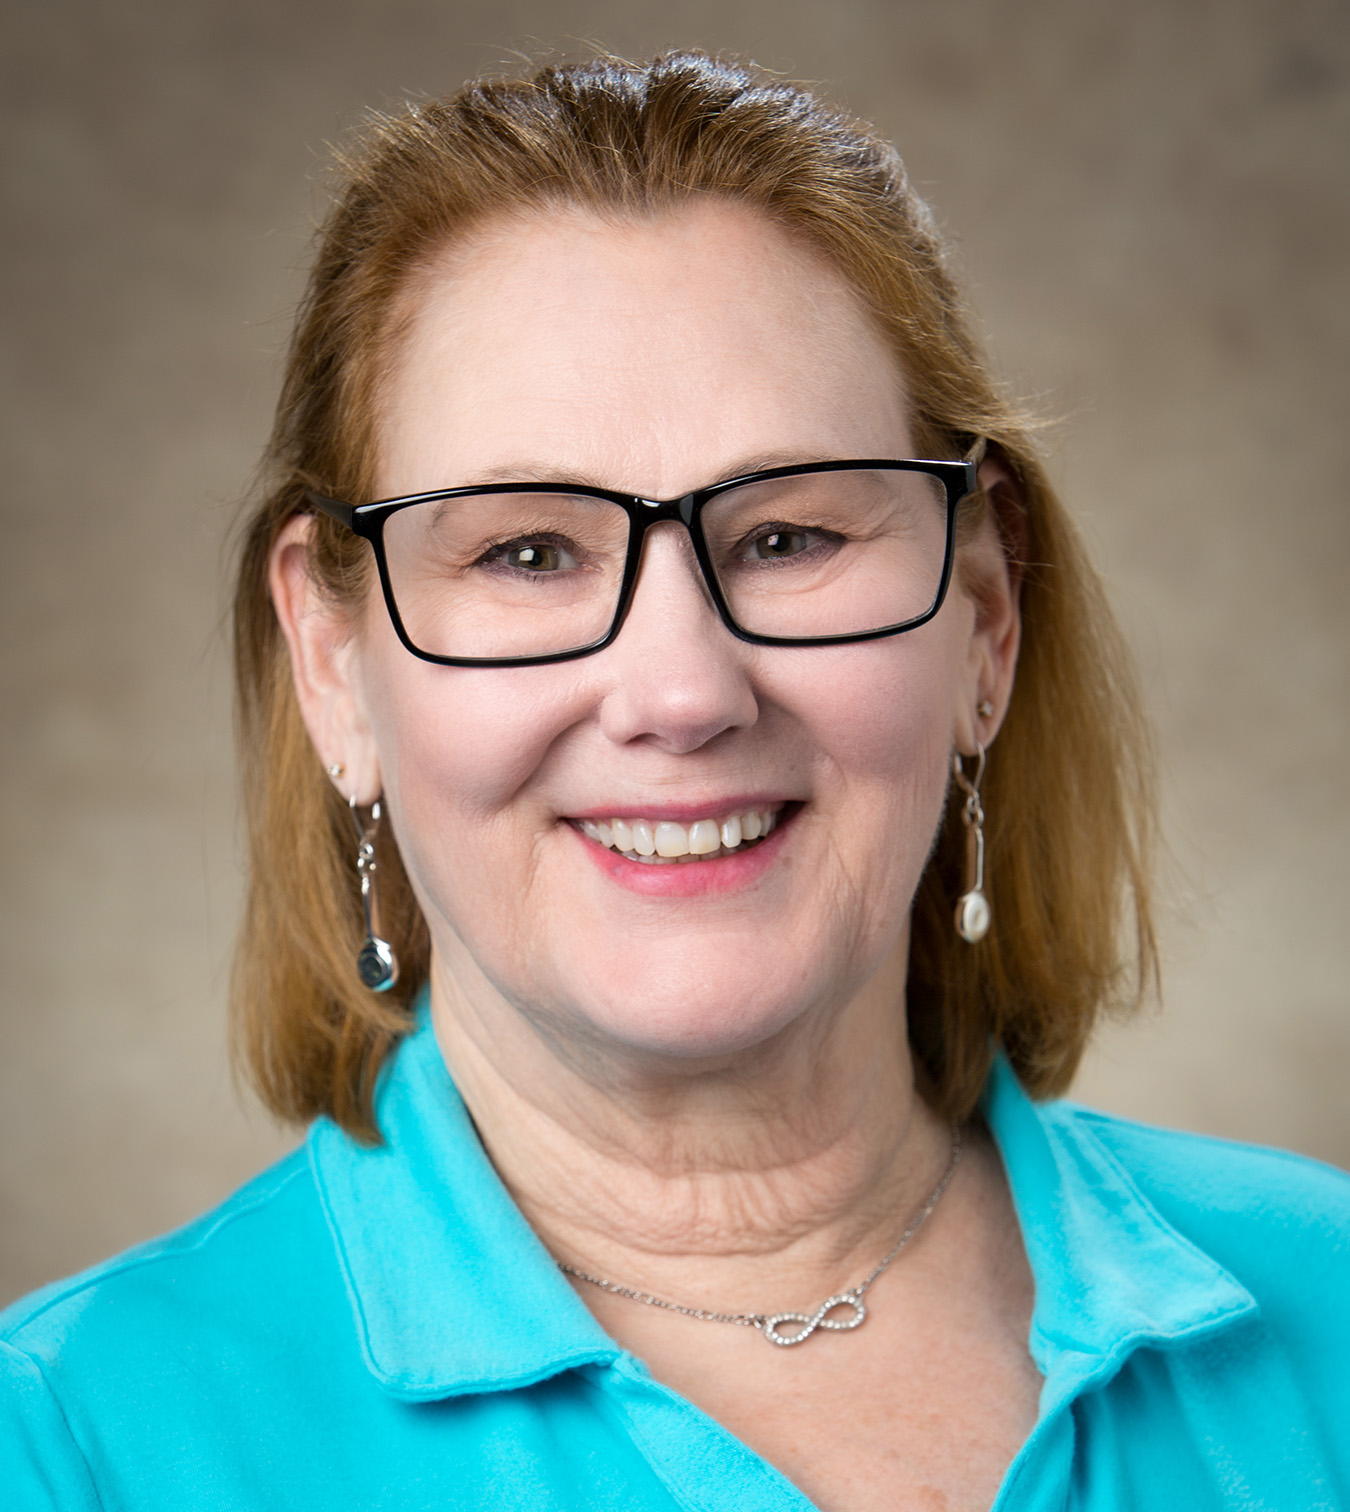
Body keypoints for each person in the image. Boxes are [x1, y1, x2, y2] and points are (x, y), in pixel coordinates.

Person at [3, 50, 1347, 1512]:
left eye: (787, 538)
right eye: (526, 552)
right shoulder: (72, 1442)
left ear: (983, 617)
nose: (684, 693)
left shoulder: (1326, 1318)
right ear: (334, 662)